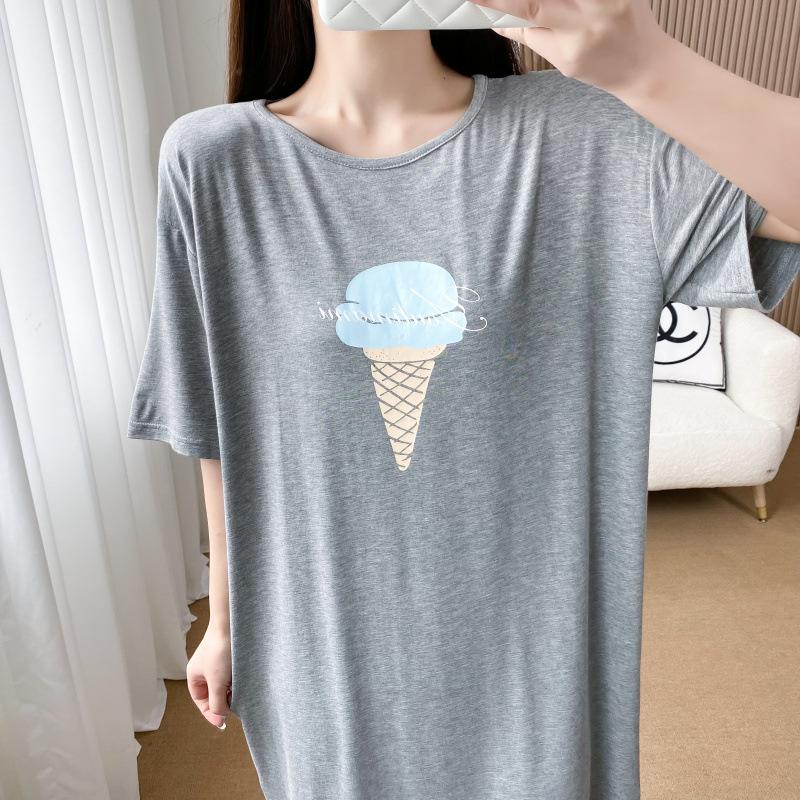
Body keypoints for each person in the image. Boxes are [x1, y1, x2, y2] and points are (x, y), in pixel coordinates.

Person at [127, 0, 800, 797]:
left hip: (537, 670)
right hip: (320, 658)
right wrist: (226, 618)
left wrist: (647, 65)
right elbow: (215, 417)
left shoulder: (584, 134)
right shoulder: (214, 160)